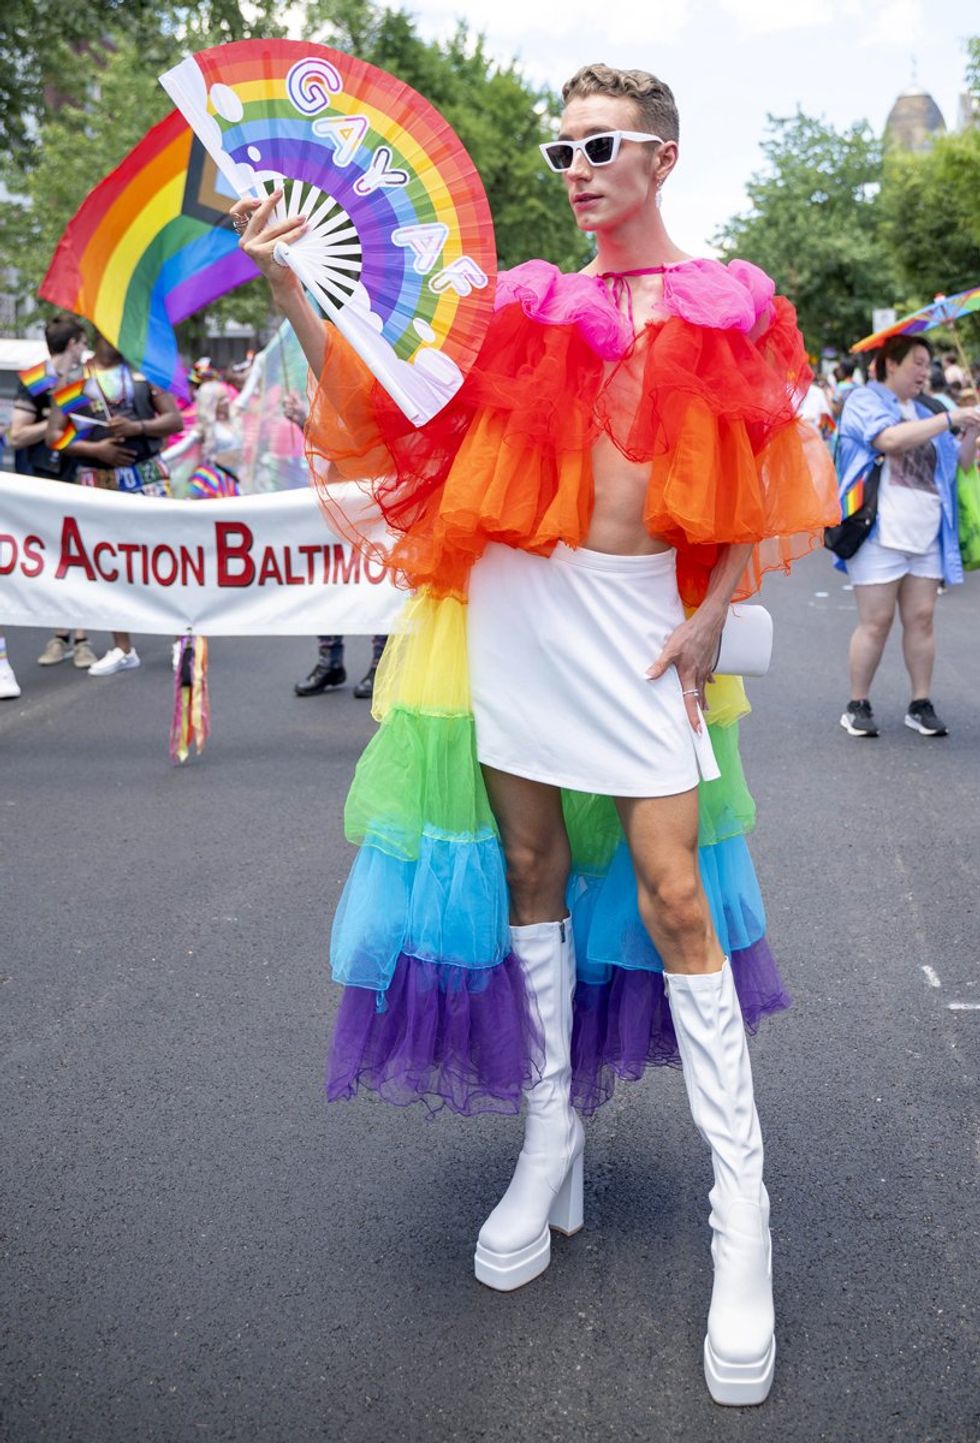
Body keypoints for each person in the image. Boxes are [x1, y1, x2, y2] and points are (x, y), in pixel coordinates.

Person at [234, 62, 838, 1407]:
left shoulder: (727, 299)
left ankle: (745, 1216)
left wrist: (713, 608)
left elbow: (756, 468)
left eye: (598, 144)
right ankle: (548, 1135)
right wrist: (293, 284)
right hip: (519, 609)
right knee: (528, 869)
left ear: (661, 159)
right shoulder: (516, 303)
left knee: (678, 889)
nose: (572, 166)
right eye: (559, 146)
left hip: (637, 622)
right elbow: (398, 405)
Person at [835, 335, 980, 738]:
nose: (923, 371)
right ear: (890, 363)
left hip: (927, 532)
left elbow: (959, 465)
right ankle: (857, 703)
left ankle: (920, 702)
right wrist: (951, 418)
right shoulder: (865, 401)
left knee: (922, 619)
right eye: (916, 362)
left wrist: (970, 431)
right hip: (879, 532)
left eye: (927, 363)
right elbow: (889, 440)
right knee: (876, 622)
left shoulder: (927, 408)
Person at [46, 332, 183, 675]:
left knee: (164, 558)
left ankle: (182, 641)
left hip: (146, 475)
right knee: (107, 564)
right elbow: (54, 435)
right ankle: (123, 647)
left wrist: (136, 426)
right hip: (98, 479)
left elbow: (174, 420)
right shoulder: (75, 379)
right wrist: (95, 450)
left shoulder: (145, 372)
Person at [281, 390, 387, 699]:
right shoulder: (326, 379)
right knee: (327, 578)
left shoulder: (375, 370)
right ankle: (330, 661)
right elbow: (328, 436)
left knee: (377, 579)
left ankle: (381, 662)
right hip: (333, 496)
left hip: (374, 493)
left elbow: (365, 431)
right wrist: (304, 419)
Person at [8, 315, 98, 671]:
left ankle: (80, 640)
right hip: (41, 482)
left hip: (80, 477)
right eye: (82, 342)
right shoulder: (34, 380)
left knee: (79, 556)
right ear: (74, 343)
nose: (84, 349)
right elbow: (17, 435)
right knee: (52, 559)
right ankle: (60, 637)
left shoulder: (87, 381)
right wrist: (56, 423)